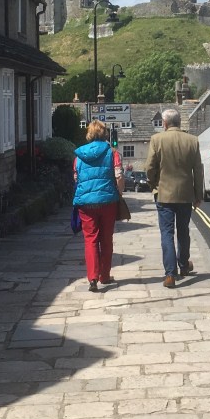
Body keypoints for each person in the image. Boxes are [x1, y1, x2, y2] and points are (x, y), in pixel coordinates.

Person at [145, 107, 205, 289]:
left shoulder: (157, 139)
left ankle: (170, 275)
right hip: (186, 194)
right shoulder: (192, 141)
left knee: (167, 233)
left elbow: (149, 167)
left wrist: (153, 185)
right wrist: (198, 194)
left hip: (164, 194)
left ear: (164, 123)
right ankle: (184, 265)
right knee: (183, 231)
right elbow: (198, 170)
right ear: (179, 122)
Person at [73, 120, 124, 292]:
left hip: (86, 203)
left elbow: (76, 178)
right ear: (104, 134)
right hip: (108, 201)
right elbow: (119, 176)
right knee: (106, 239)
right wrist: (120, 193)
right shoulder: (112, 153)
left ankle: (92, 278)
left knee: (90, 239)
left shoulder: (79, 155)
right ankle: (105, 275)